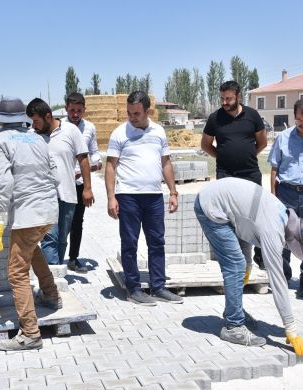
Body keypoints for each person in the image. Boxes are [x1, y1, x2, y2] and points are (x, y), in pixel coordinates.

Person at [195, 177, 303, 356]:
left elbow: (245, 224)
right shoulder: (273, 230)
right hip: (211, 207)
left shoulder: (282, 213)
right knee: (235, 265)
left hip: (221, 202)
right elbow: (278, 281)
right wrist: (290, 327)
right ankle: (233, 326)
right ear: (293, 238)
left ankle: (234, 311)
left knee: (241, 264)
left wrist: (249, 263)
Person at [0, 98, 61, 351]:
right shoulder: (38, 139)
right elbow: (55, 174)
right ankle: (50, 294)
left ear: (0, 121)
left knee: (17, 273)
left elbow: (5, 184)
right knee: (32, 249)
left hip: (28, 215)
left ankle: (30, 334)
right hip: (49, 211)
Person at [105, 91, 184, 306]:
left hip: (154, 197)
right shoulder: (119, 134)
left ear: (148, 111)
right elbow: (110, 167)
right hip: (128, 196)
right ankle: (134, 289)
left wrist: (173, 192)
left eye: (137, 113)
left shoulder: (158, 132)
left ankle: (158, 287)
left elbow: (166, 163)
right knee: (129, 243)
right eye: (129, 113)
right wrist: (111, 197)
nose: (132, 117)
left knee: (157, 242)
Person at [201, 80, 269, 282]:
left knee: (250, 221)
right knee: (229, 222)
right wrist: (222, 157)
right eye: (222, 98)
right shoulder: (215, 118)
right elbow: (205, 144)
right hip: (225, 176)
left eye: (228, 98)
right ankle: (233, 269)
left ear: (238, 96)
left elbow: (262, 142)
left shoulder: (252, 115)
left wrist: (246, 156)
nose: (224, 102)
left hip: (250, 175)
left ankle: (251, 264)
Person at [26, 98, 93, 266]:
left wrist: (87, 188)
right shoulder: (31, 136)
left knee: (62, 239)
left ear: (48, 117)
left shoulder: (71, 131)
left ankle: (56, 277)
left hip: (67, 195)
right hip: (43, 197)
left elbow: (83, 159)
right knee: (49, 238)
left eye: (36, 121)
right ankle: (52, 284)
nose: (33, 125)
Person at [268, 98, 303, 298]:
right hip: (287, 194)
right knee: (283, 237)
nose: (302, 124)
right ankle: (283, 277)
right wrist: (274, 197)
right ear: (294, 117)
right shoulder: (283, 138)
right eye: (299, 120)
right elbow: (274, 169)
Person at [64, 92, 103, 274]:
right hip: (62, 185)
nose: (76, 114)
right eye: (72, 110)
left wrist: (97, 162)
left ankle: (73, 258)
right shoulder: (59, 128)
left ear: (84, 110)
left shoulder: (90, 128)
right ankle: (55, 259)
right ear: (66, 109)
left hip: (80, 183)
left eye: (79, 110)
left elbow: (94, 152)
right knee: (59, 223)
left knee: (77, 222)